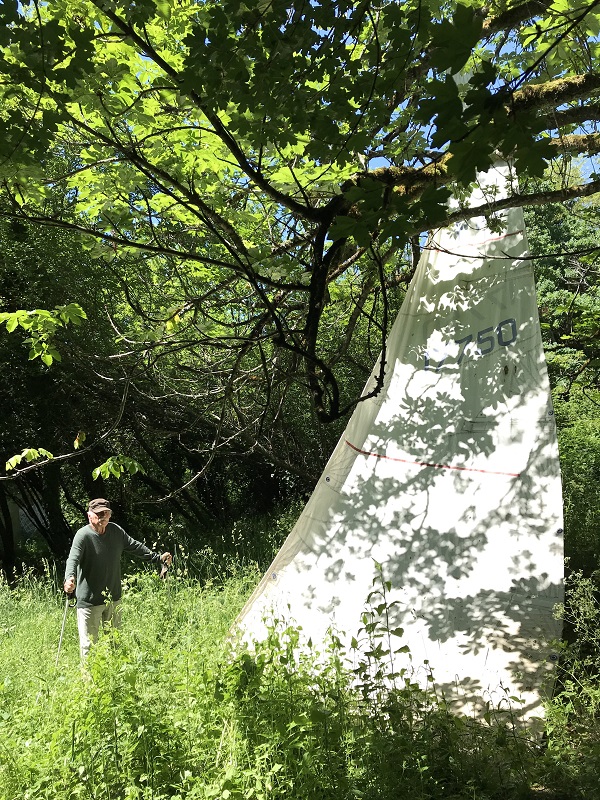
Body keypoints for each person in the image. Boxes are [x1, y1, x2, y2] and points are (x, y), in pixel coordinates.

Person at [63, 498, 172, 658]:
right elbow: (73, 558)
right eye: (99, 513)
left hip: (113, 598)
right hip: (90, 602)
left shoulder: (115, 531)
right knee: (89, 647)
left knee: (115, 642)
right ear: (89, 515)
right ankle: (89, 683)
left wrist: (157, 558)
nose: (103, 517)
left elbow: (134, 546)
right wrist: (69, 579)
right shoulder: (83, 535)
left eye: (106, 513)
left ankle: (116, 679)